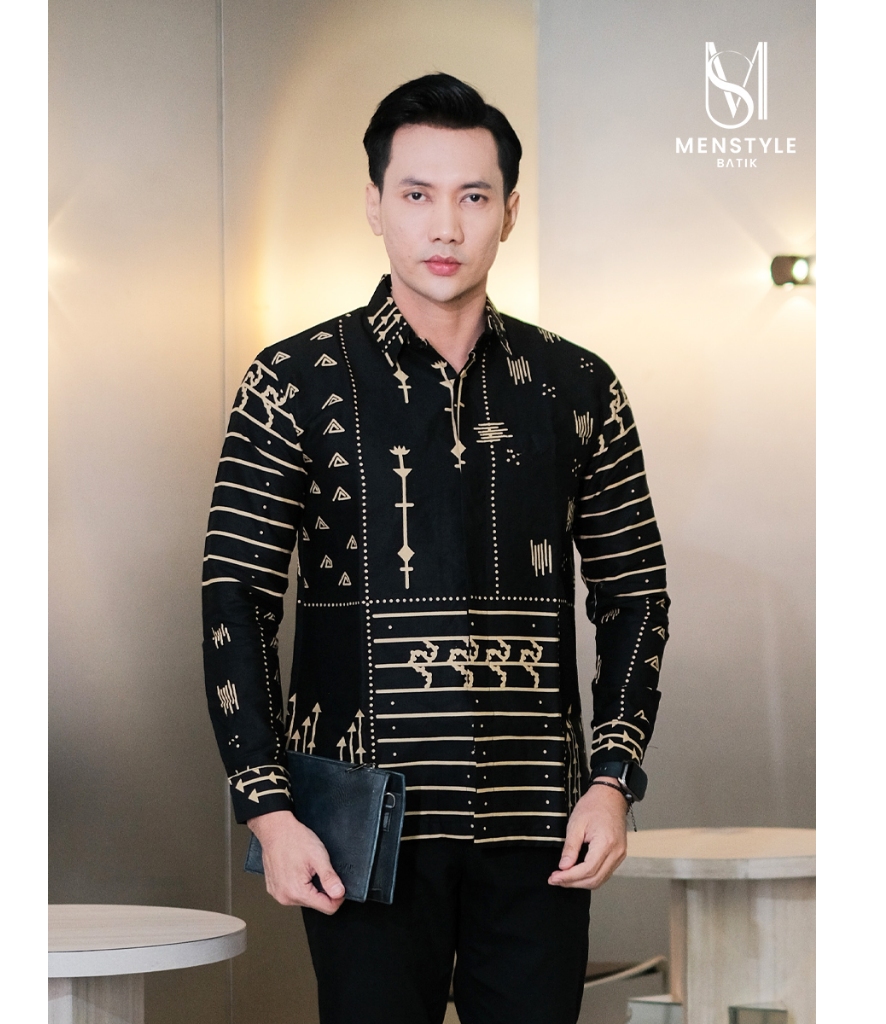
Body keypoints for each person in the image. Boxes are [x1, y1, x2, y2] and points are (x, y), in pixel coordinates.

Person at [202, 73, 669, 1024]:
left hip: (542, 822)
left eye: (474, 197)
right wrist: (267, 807)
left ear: (510, 212)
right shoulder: (293, 380)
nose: (445, 227)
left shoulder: (578, 386)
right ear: (375, 205)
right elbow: (235, 599)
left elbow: (634, 595)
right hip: (360, 823)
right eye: (417, 194)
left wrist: (613, 780)